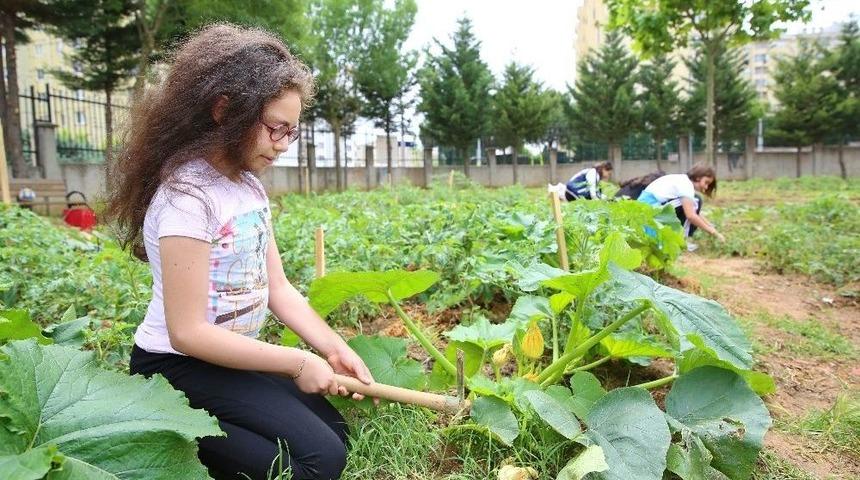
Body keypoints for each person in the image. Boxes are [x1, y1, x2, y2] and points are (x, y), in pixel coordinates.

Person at [105, 25, 373, 480]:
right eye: (275, 129)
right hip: (177, 367)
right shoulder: (187, 198)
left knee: (337, 434)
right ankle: (161, 429)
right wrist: (296, 362)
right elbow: (188, 332)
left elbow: (280, 289)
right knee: (316, 465)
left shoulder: (247, 187)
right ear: (226, 110)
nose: (283, 145)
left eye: (292, 131)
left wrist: (331, 348)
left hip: (229, 358)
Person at [637, 164, 725, 250]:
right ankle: (682, 241)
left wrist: (710, 226)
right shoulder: (686, 185)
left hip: (647, 210)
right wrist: (713, 232)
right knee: (696, 201)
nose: (706, 187)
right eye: (706, 182)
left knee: (694, 202)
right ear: (698, 177)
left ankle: (672, 240)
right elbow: (691, 216)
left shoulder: (683, 180)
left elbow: (695, 213)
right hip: (649, 211)